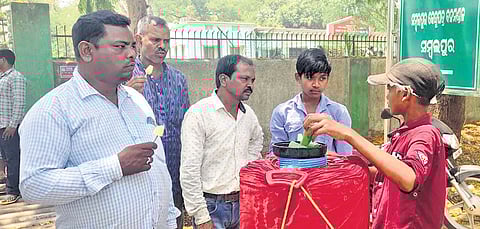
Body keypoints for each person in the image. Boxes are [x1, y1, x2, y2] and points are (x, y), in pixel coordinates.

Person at [18, 10, 179, 228]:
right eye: (120, 47)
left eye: (132, 46)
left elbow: (159, 170)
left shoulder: (137, 101)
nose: (132, 54)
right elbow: (34, 186)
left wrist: (168, 220)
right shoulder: (53, 110)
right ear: (86, 51)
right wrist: (115, 167)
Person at [304, 58, 446, 228]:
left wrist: (348, 134)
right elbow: (383, 173)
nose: (386, 94)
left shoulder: (425, 134)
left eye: (390, 87)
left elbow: (408, 178)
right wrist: (331, 158)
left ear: (405, 94)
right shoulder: (403, 133)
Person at [180, 55, 264, 229]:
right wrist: (201, 216)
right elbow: (189, 170)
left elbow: (257, 139)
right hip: (211, 206)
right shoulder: (199, 114)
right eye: (244, 79)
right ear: (224, 79)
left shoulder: (248, 114)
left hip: (242, 204)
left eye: (252, 80)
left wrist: (247, 164)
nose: (250, 85)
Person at [126, 16, 190, 228]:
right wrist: (126, 94)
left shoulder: (178, 79)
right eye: (155, 40)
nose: (163, 46)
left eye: (166, 41)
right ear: (138, 40)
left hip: (174, 166)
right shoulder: (125, 78)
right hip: (141, 167)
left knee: (174, 217)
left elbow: (185, 124)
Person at [270, 47, 352, 155]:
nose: (316, 84)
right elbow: (275, 154)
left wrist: (326, 155)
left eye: (322, 78)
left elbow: (345, 158)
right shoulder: (282, 112)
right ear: (298, 77)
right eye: (310, 77)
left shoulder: (339, 112)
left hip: (328, 171)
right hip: (293, 171)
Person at [0, 49, 25, 205]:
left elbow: (19, 103)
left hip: (9, 126)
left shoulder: (16, 78)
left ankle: (14, 190)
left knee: (13, 157)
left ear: (3, 59)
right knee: (4, 157)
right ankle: (9, 184)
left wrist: (13, 125)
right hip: (1, 125)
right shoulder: (2, 78)